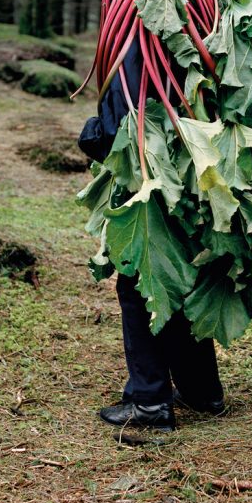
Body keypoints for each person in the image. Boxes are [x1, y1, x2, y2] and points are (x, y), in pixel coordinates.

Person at [78, 40, 224, 433]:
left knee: (142, 281)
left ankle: (149, 402)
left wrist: (90, 135)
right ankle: (202, 389)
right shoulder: (197, 19)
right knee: (184, 274)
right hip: (202, 171)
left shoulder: (134, 39)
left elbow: (118, 129)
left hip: (155, 177)